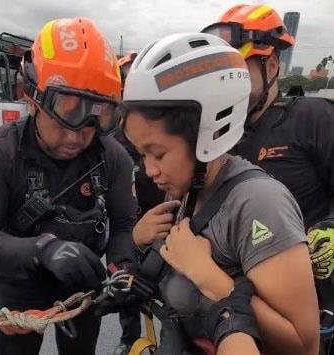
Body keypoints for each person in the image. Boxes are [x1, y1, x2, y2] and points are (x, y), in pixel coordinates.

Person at [122, 32, 319, 354]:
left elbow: (304, 343)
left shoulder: (258, 204)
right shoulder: (188, 190)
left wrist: (209, 278)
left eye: (157, 154)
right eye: (141, 154)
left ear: (206, 137)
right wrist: (141, 239)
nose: (149, 170)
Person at [0, 17, 138, 355]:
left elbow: (124, 224)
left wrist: (122, 271)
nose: (77, 136)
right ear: (32, 98)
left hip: (81, 292)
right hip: (18, 290)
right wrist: (43, 249)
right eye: (66, 113)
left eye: (93, 118)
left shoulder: (112, 157)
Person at [202, 4, 334, 352]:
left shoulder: (312, 118)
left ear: (272, 66)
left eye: (236, 75)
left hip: (313, 309)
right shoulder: (217, 139)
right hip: (241, 310)